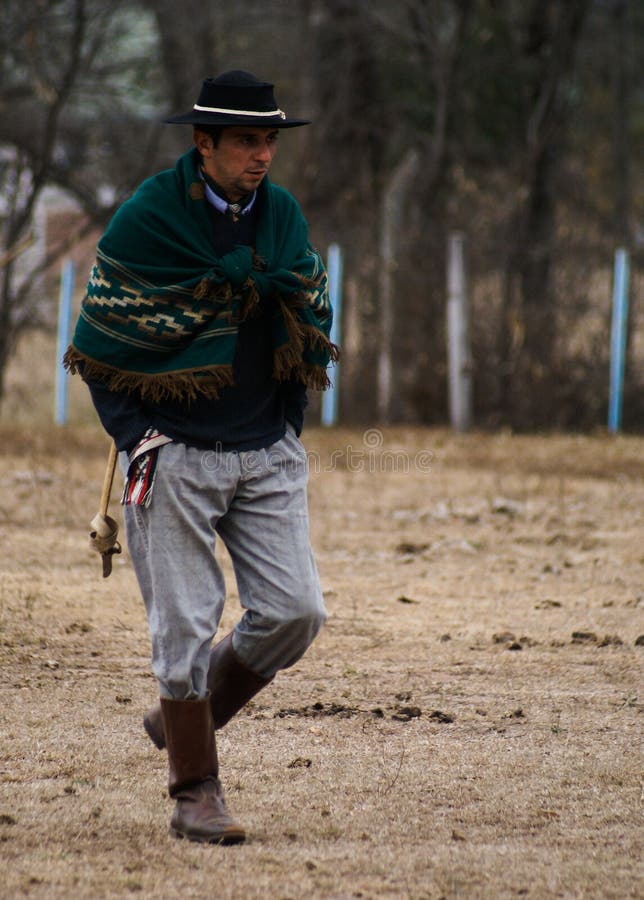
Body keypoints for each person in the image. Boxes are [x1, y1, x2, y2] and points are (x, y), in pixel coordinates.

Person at [64, 70, 337, 845]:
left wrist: (289, 425)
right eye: (247, 140)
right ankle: (195, 792)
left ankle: (186, 716)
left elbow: (308, 316)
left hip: (265, 450)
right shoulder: (149, 219)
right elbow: (102, 339)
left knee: (296, 612)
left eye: (269, 141)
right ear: (203, 143)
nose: (261, 156)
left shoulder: (280, 216)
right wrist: (137, 440)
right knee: (182, 626)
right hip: (174, 452)